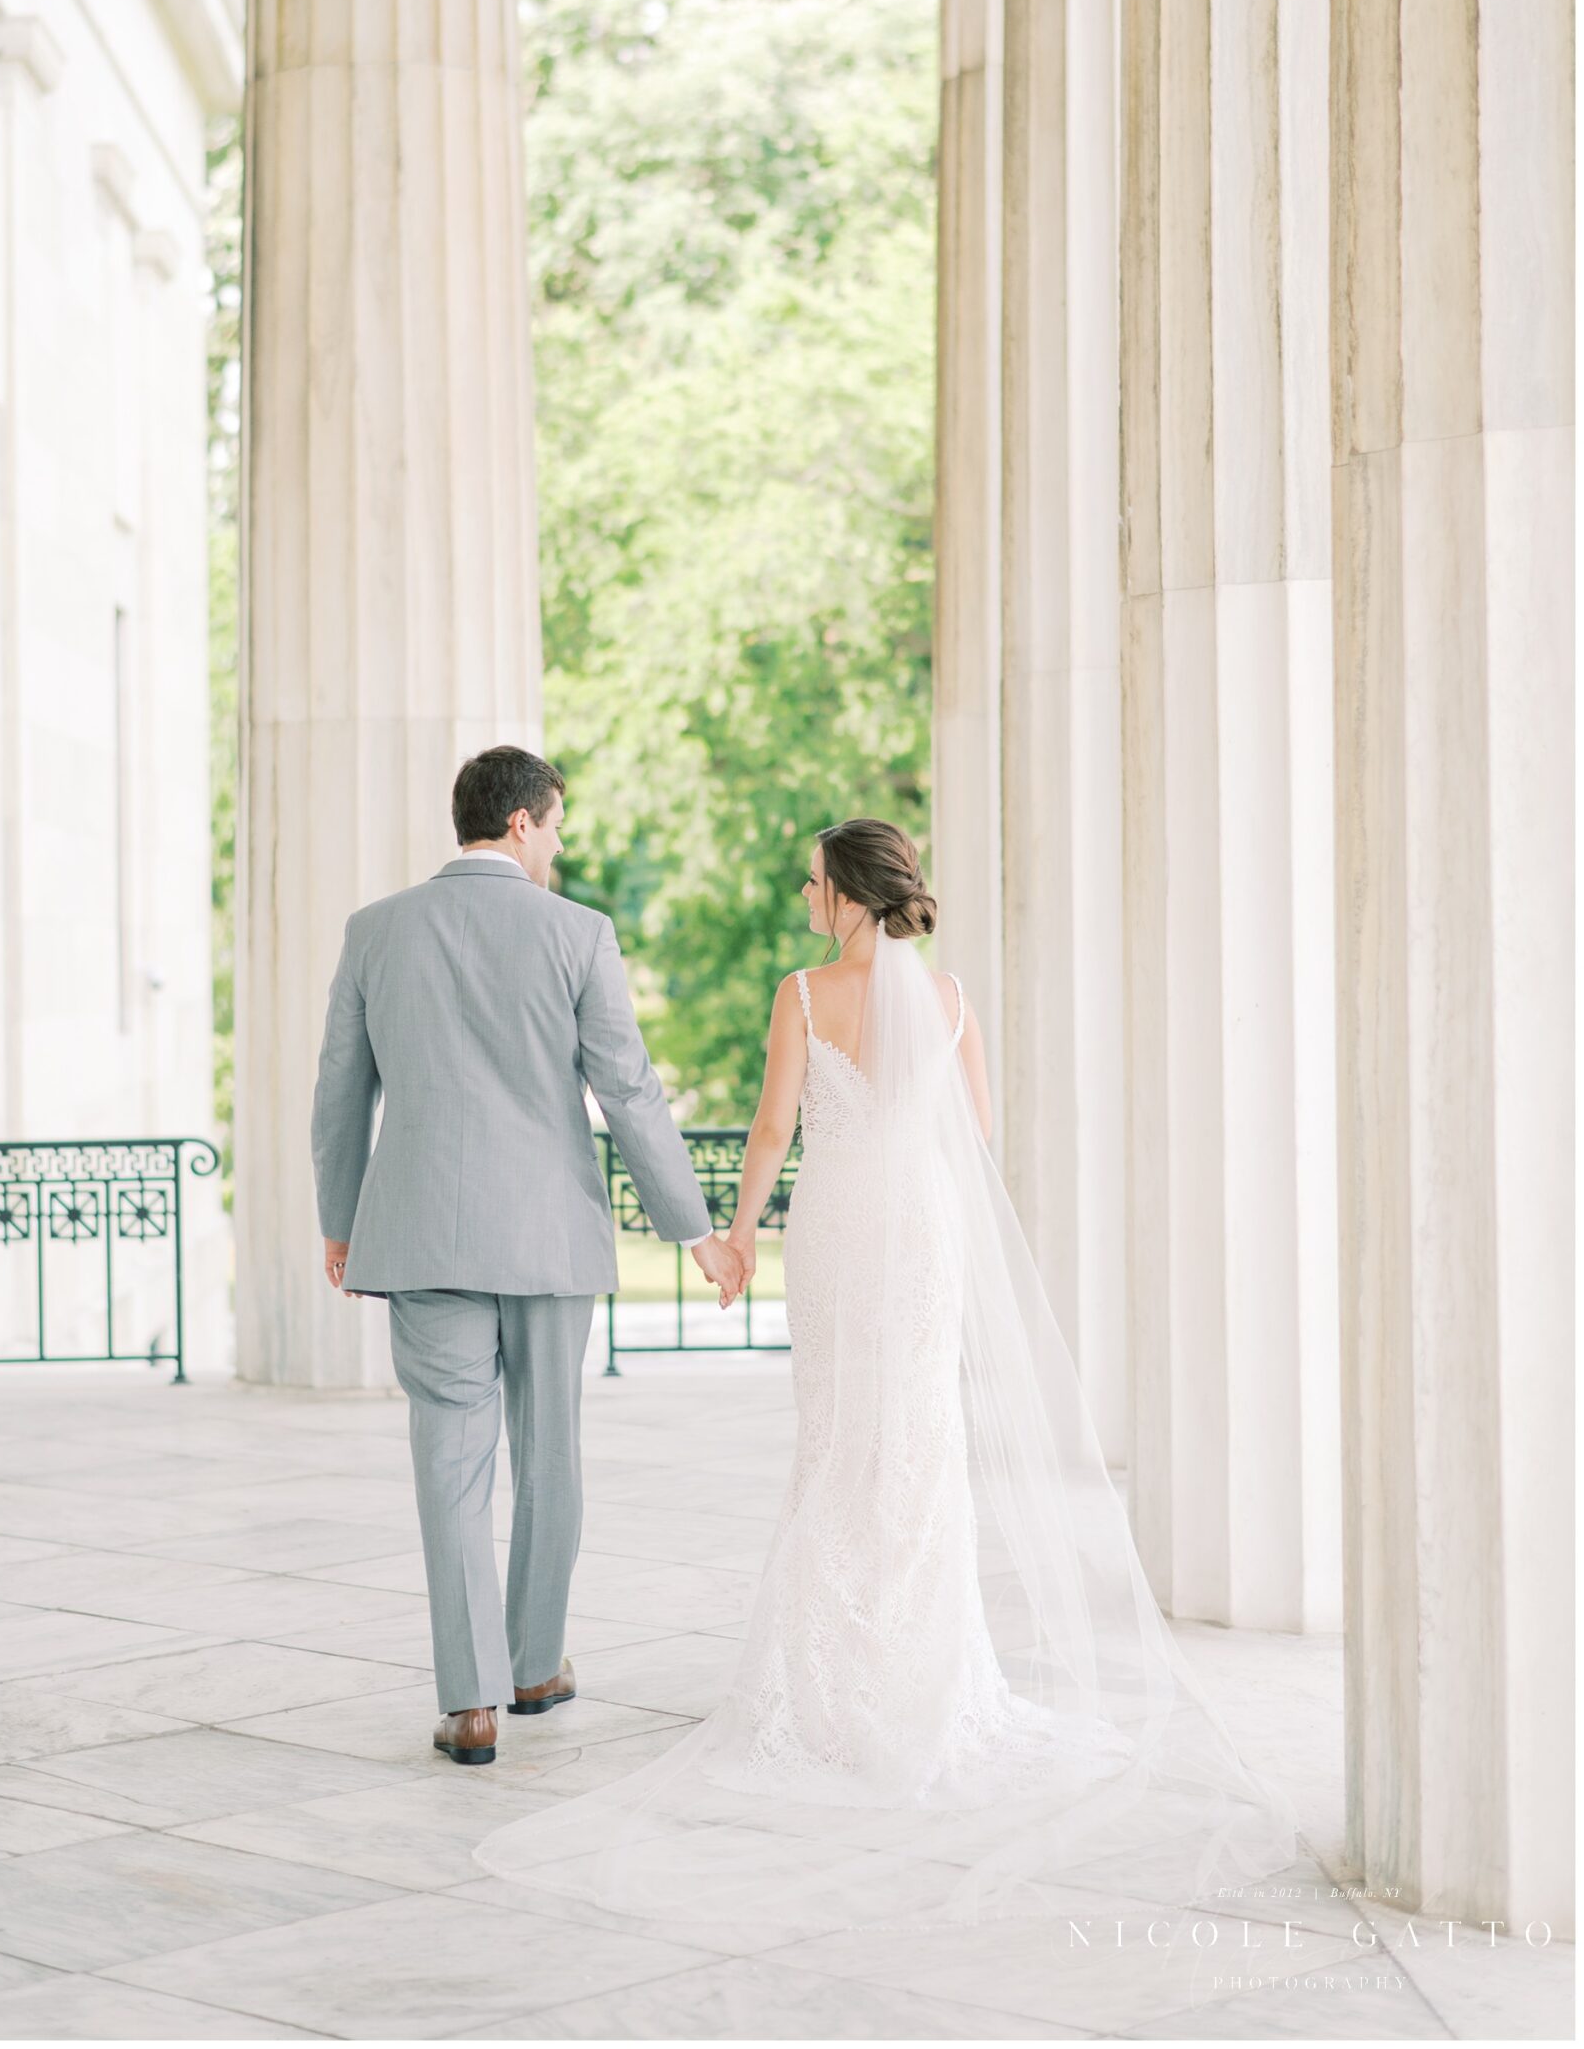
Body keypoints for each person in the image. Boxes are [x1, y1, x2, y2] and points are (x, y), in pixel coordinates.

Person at [471, 817, 1301, 1949]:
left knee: (836, 1439)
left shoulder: (802, 996)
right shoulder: (948, 997)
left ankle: (829, 1686)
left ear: (850, 894)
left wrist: (736, 1239)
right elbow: (976, 1132)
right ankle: (926, 1680)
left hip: (837, 1231)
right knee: (916, 1444)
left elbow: (770, 1129)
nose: (803, 894)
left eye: (812, 880)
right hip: (920, 1231)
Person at [309, 744, 746, 1770]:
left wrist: (340, 1219)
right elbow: (628, 1089)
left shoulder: (375, 931)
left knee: (449, 1471)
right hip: (548, 1238)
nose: (556, 843)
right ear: (520, 822)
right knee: (548, 1457)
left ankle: (469, 1703)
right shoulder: (578, 933)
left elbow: (338, 1092)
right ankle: (535, 1664)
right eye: (554, 824)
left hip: (419, 1237)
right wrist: (694, 1229)